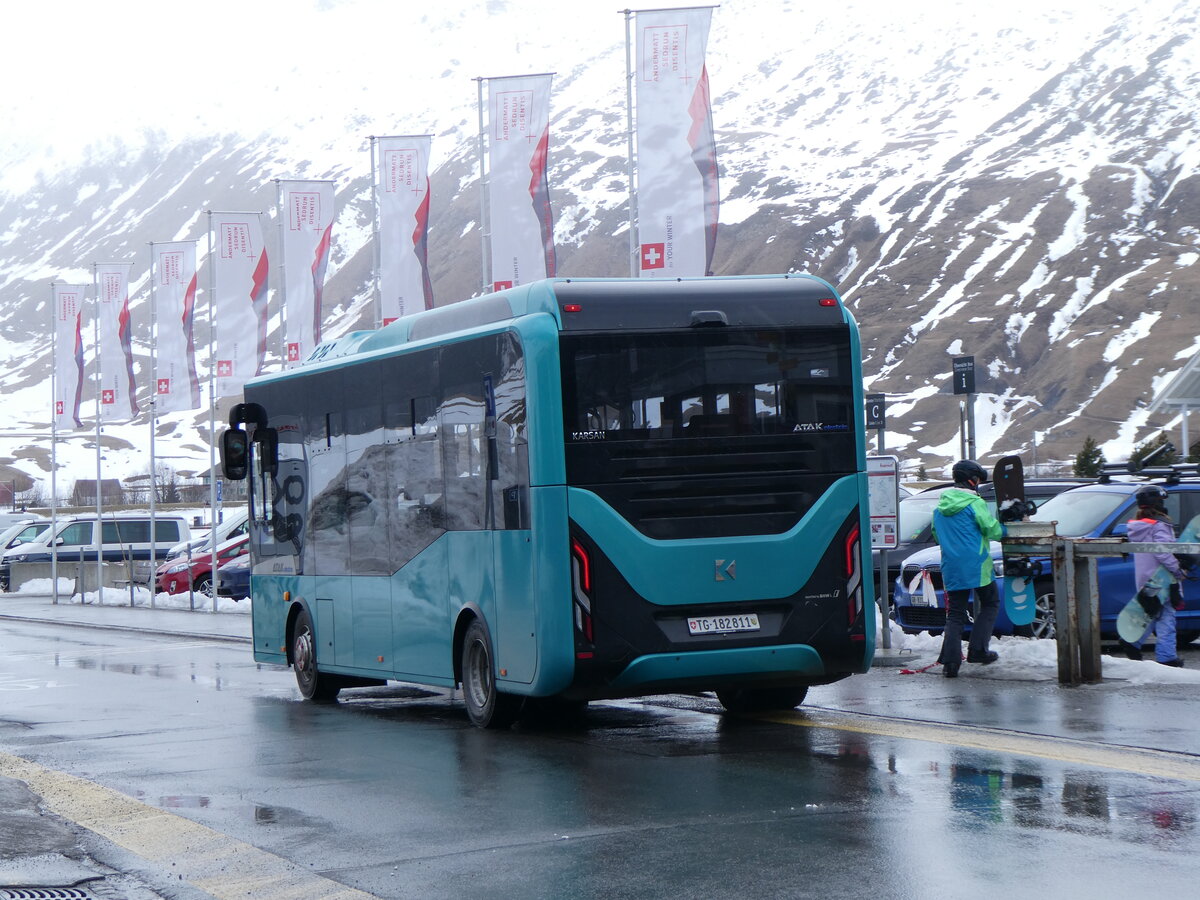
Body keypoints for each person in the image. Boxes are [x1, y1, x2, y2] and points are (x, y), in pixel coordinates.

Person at [933, 460, 1008, 677]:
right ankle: (978, 651)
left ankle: (950, 663)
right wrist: (1007, 530)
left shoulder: (939, 508)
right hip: (977, 565)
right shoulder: (975, 503)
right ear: (972, 480)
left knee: (955, 614)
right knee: (990, 603)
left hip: (952, 566)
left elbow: (937, 536)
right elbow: (991, 529)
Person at [1119, 485, 1188, 667]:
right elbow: (1163, 551)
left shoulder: (1138, 525)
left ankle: (1133, 642)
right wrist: (1178, 570)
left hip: (1145, 578)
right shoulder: (1159, 525)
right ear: (1158, 503)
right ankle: (1167, 657)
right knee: (1166, 617)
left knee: (1153, 612)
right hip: (1162, 578)